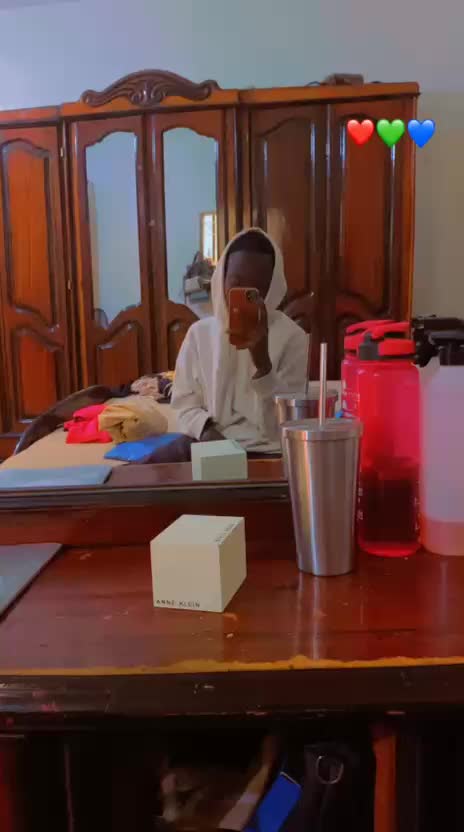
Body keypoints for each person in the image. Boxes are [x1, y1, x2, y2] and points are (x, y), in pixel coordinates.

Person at [171, 228, 309, 455]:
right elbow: (183, 406)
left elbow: (287, 424)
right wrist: (209, 434)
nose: (244, 295)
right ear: (221, 279)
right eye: (235, 283)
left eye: (255, 290)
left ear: (272, 289)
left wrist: (263, 366)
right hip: (208, 444)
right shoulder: (198, 335)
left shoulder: (293, 338)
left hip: (268, 451)